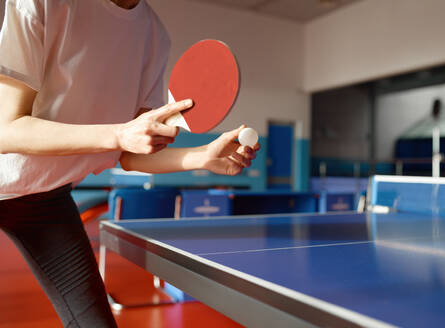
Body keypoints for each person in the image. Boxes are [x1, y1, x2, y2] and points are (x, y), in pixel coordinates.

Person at [0, 0, 259, 327]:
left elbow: (131, 154)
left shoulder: (153, 35)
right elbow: (5, 130)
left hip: (47, 198)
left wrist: (202, 157)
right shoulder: (45, 4)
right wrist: (120, 133)